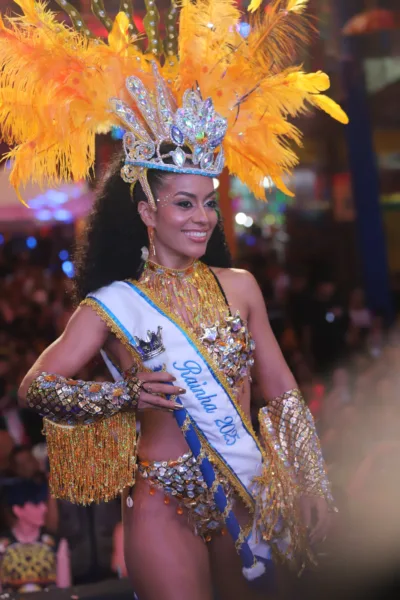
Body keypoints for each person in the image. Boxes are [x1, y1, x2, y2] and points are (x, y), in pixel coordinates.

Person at [0, 0, 348, 598]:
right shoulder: (112, 305)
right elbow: (34, 386)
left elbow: (281, 388)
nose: (202, 217)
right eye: (184, 203)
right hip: (163, 502)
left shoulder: (240, 286)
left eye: (208, 202)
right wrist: (122, 396)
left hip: (246, 494)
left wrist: (309, 479)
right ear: (146, 212)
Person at [0, 479, 70, 593]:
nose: (44, 508)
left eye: (43, 502)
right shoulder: (2, 546)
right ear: (18, 510)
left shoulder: (57, 543)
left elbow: (65, 593)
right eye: (37, 504)